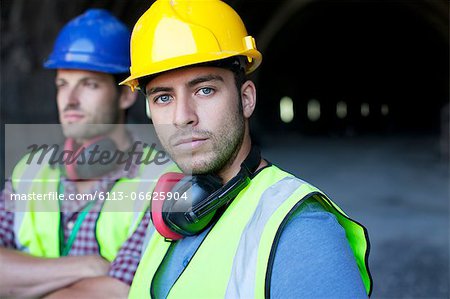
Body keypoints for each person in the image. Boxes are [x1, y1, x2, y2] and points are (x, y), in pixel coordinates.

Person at [120, 0, 373, 298]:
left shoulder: (302, 234)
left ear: (247, 99)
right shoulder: (172, 210)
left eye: (205, 90)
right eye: (163, 98)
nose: (182, 116)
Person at [0, 9, 167, 298]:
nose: (70, 100)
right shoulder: (29, 171)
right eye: (62, 85)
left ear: (126, 94)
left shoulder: (161, 180)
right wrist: (88, 267)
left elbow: (119, 291)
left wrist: (21, 282)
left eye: (89, 85)